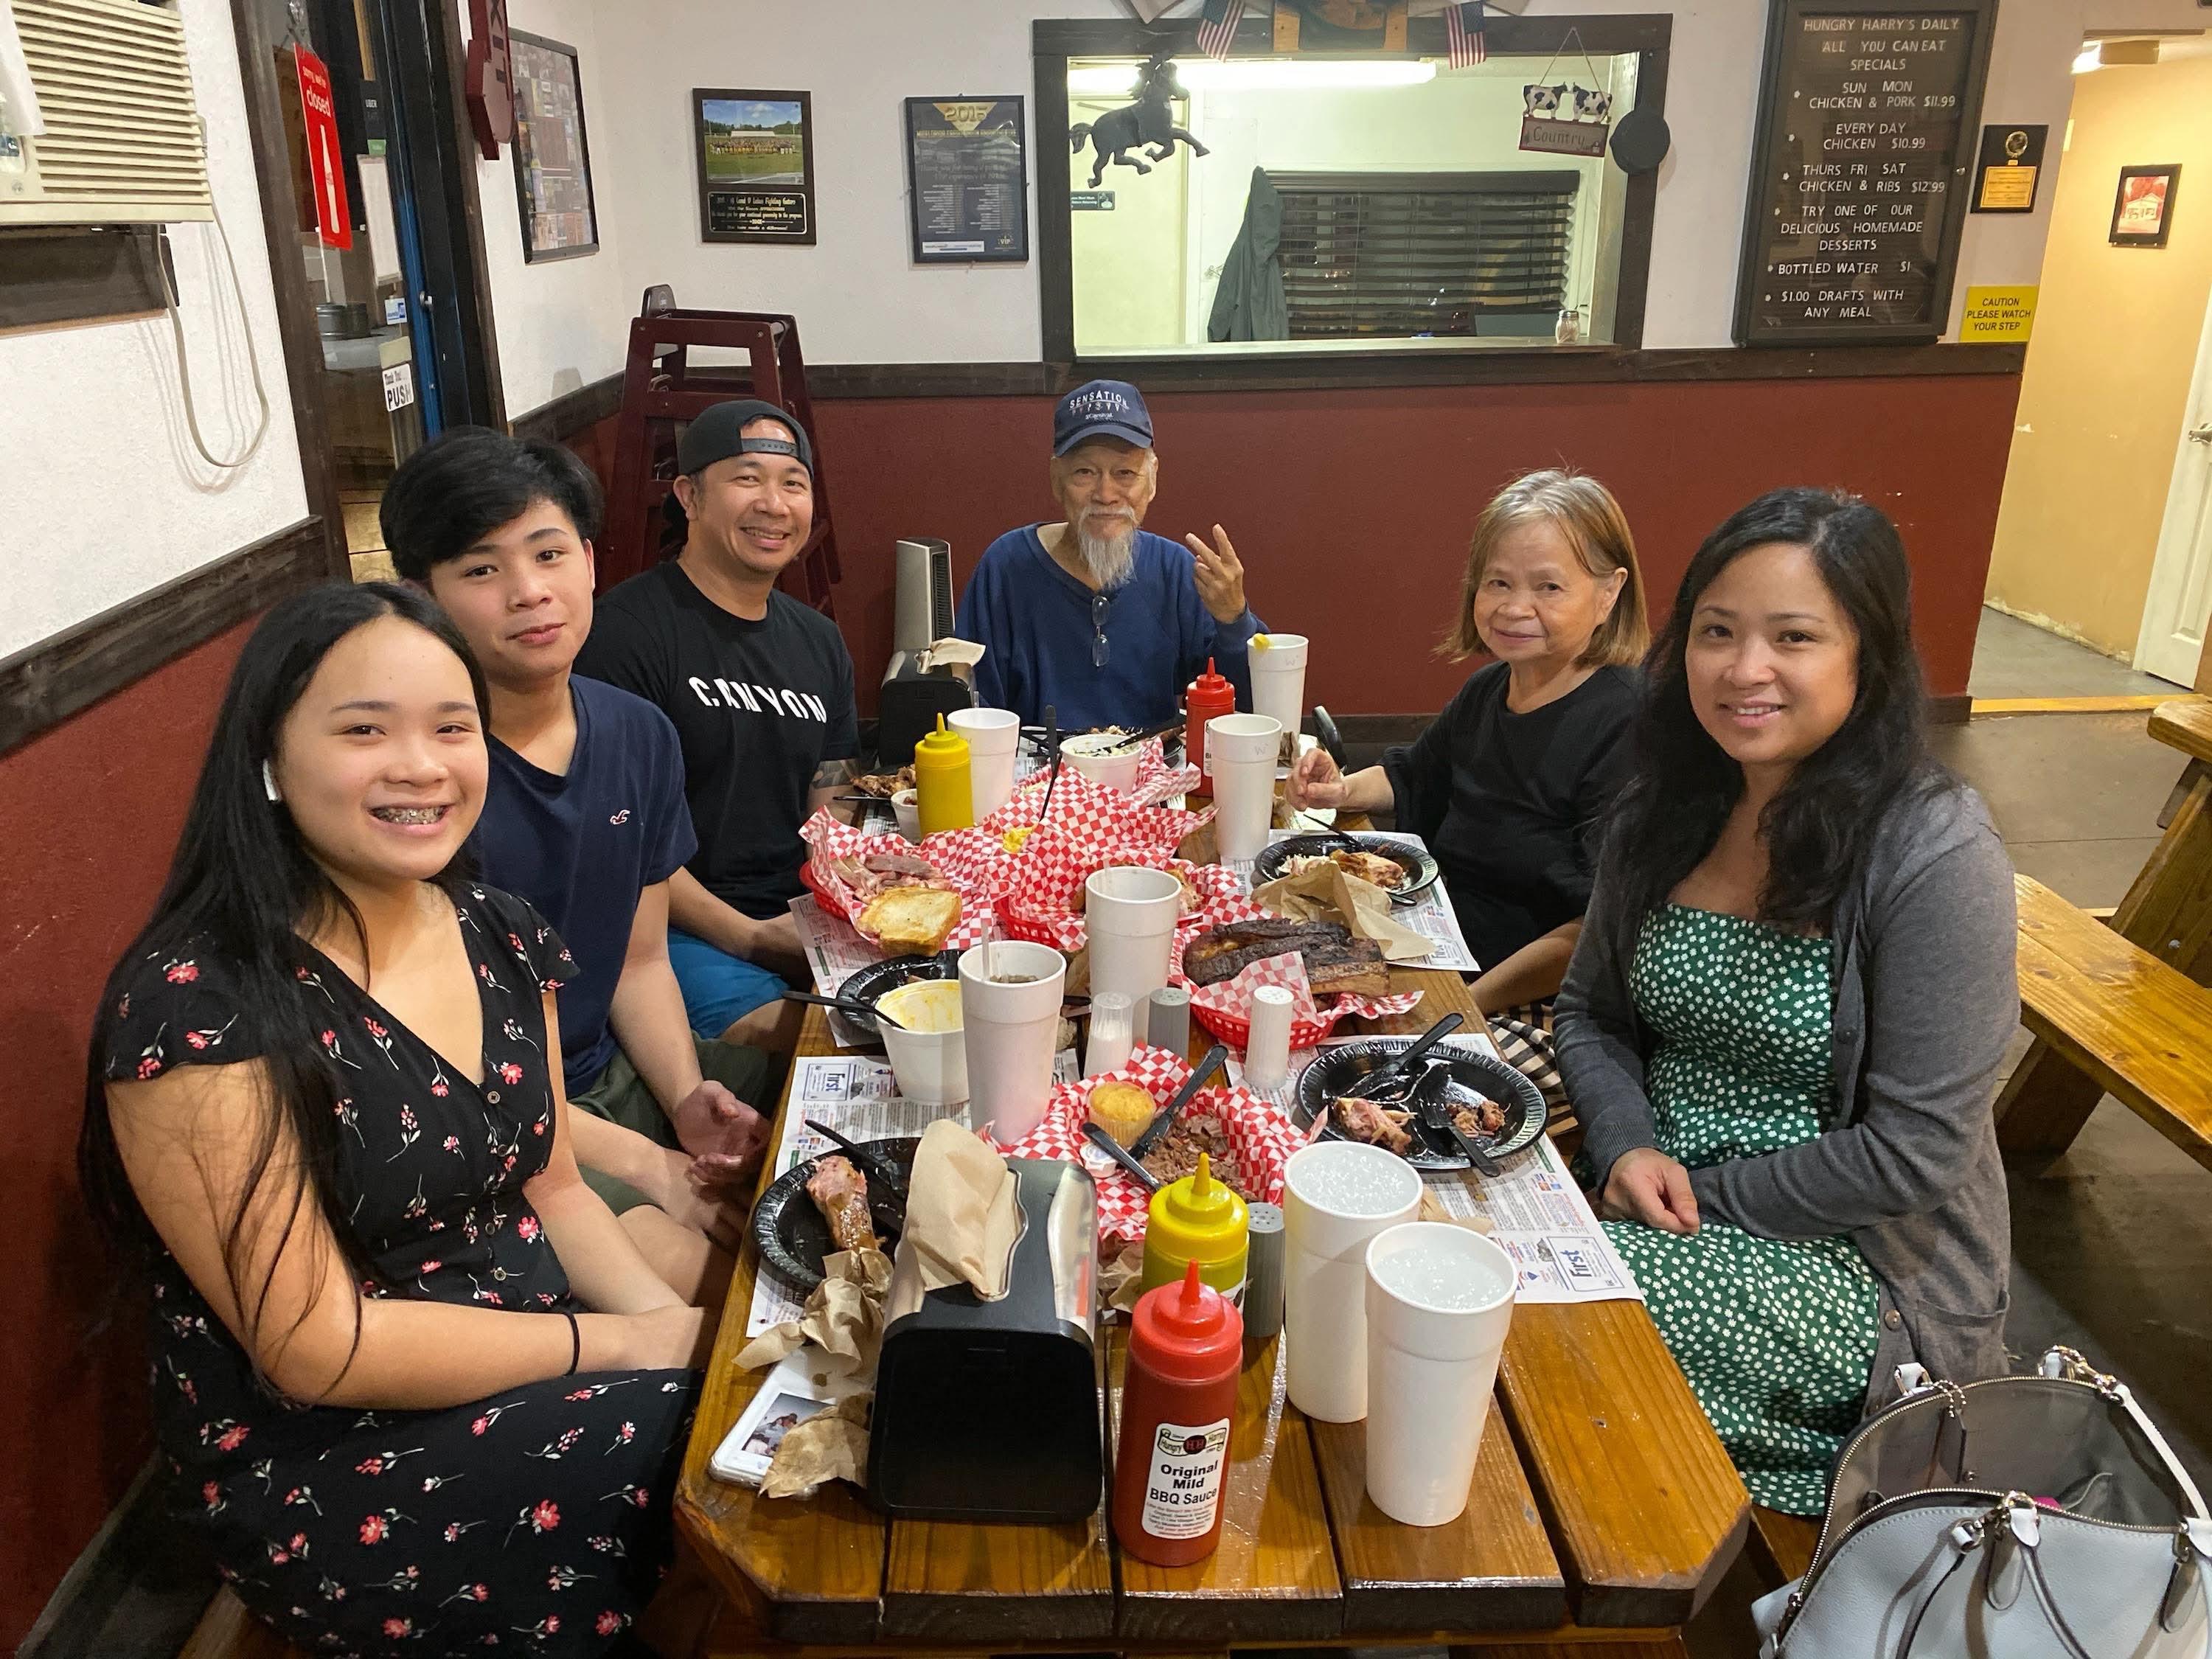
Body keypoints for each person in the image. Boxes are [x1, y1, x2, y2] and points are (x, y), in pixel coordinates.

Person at [80, 583, 711, 1656]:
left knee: (753, 1354)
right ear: (271, 757)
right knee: (716, 1446)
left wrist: (668, 1330)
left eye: (451, 727)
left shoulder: (497, 928)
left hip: (529, 1333)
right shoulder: (197, 1003)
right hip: (328, 1455)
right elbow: (317, 1347)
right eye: (364, 729)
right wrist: (631, 1349)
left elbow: (553, 1182)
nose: (420, 765)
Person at [1555, 488, 2017, 1517]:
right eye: (1717, 632)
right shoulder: (1668, 803)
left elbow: (1917, 1150)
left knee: (1535, 1320)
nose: (1744, 668)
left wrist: (1702, 1201)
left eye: (1793, 637)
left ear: (1869, 656)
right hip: (1649, 1202)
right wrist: (1626, 1146)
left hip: (1858, 1270)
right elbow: (1589, 1012)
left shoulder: (1933, 847)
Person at [381, 428, 775, 1306]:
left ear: (590, 561)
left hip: (613, 1077)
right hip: (501, 1138)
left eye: (549, 553)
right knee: (732, 1290)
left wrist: (683, 1098)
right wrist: (649, 1165)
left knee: (827, 1113)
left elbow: (637, 962)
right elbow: (449, 1069)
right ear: (423, 599)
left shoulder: (637, 733)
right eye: (481, 571)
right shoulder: (420, 792)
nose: (530, 593)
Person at [1287, 470, 1647, 1010]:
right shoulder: (1492, 687)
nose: (1514, 607)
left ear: (1609, 593)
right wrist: (1339, 793)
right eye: (1498, 582)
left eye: (1548, 587)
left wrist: (1461, 1004)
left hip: (1536, 1001)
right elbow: (1416, 773)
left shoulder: (1628, 721)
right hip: (1435, 944)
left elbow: (1602, 925)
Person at [577, 400, 859, 1052]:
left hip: (794, 911)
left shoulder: (818, 641)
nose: (774, 504)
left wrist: (847, 883)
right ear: (689, 496)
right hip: (671, 928)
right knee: (824, 1044)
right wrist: (753, 937)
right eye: (746, 478)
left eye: (793, 484)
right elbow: (622, 842)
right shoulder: (623, 635)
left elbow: (831, 790)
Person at [955, 378, 1264, 731]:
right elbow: (973, 712)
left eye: (1125, 473)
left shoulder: (1178, 571)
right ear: (1057, 479)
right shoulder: (1006, 568)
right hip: (1037, 780)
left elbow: (1251, 712)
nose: (1106, 494)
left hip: (1154, 778)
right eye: (1085, 472)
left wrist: (1234, 621)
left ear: (1152, 480)